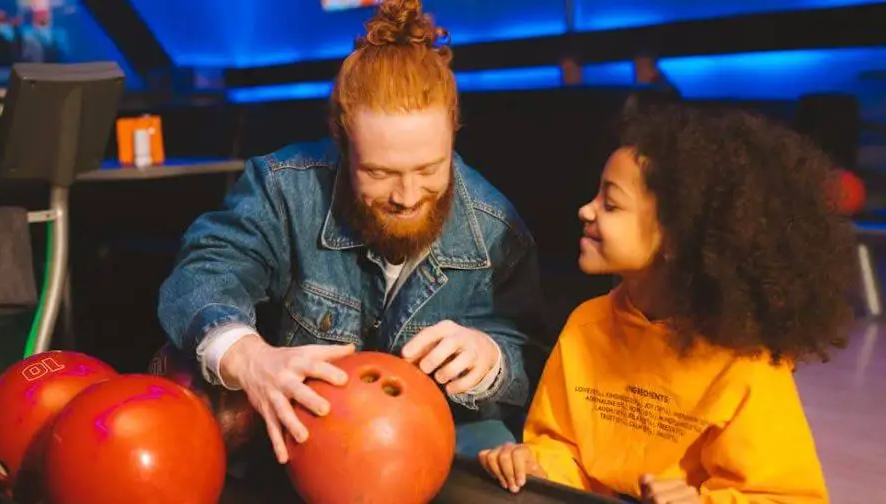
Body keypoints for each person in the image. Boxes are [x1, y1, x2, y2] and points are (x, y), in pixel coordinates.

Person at [157, 0, 546, 466]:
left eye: (429, 168)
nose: (407, 195)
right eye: (380, 173)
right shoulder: (284, 189)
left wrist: (494, 359)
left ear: (454, 135)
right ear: (342, 143)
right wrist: (248, 357)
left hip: (435, 450)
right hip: (301, 451)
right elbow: (203, 271)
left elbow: (535, 356)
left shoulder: (497, 227)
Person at [479, 104, 856, 503]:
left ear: (676, 239)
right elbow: (558, 446)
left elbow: (786, 497)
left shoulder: (745, 364)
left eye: (611, 204)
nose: (585, 210)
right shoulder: (586, 325)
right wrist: (533, 465)